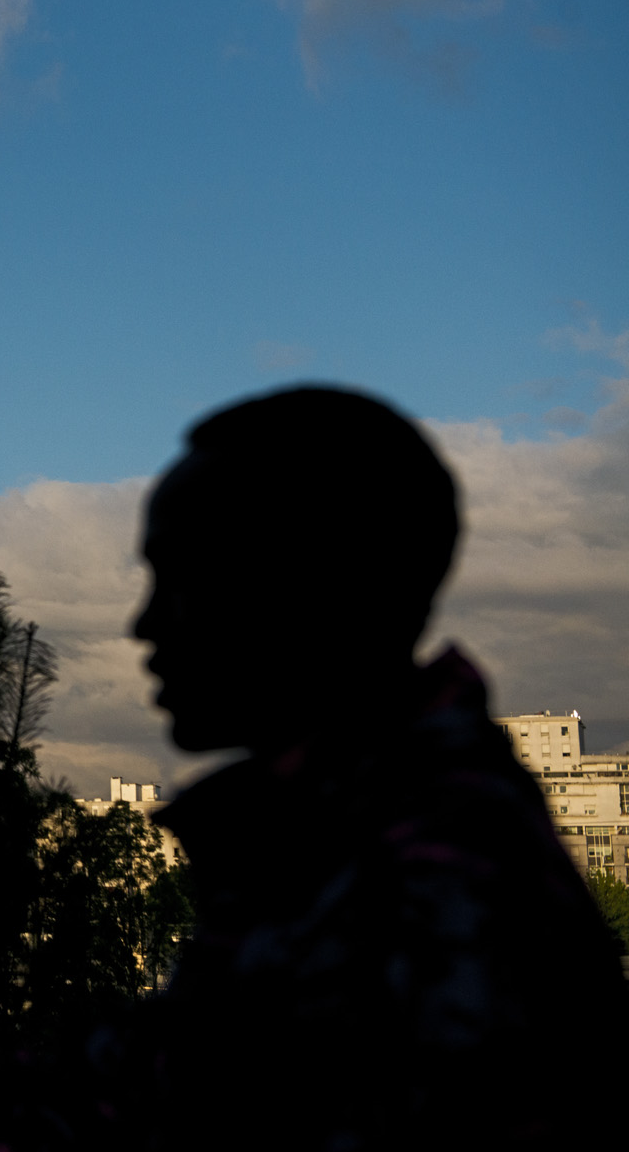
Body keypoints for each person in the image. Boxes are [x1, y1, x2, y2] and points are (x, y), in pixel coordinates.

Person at [129, 386, 625, 1148]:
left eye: (183, 574)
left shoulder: (428, 885)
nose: (145, 622)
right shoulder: (348, 842)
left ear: (311, 583)